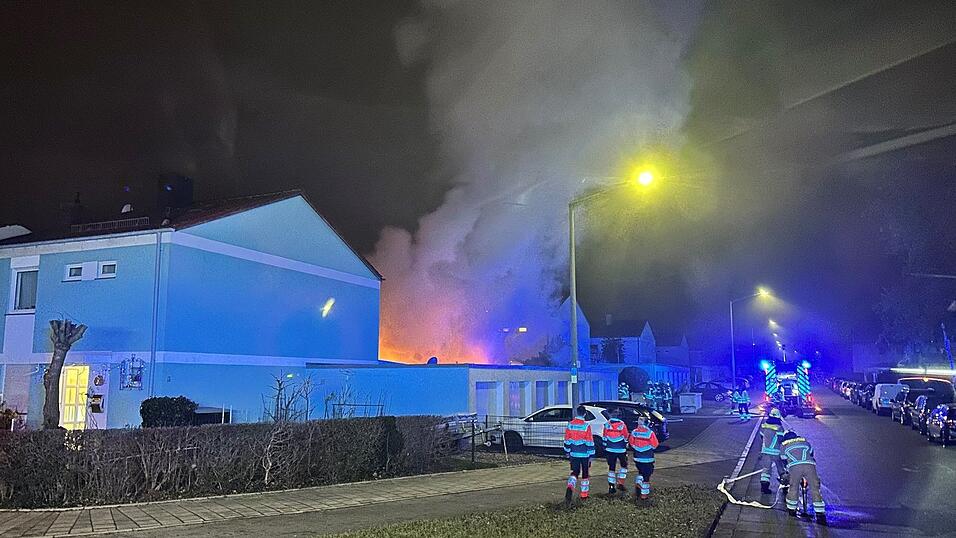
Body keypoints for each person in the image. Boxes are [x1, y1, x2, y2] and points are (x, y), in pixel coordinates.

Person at [779, 430, 827, 526]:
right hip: (810, 466)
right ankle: (820, 514)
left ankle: (792, 510)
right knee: (815, 489)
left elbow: (783, 459)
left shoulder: (784, 445)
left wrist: (788, 470)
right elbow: (811, 453)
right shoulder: (805, 442)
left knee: (793, 488)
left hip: (794, 467)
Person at [563, 405, 595, 504]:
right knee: (585, 474)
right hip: (584, 454)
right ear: (585, 414)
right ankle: (584, 495)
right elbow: (589, 441)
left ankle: (570, 488)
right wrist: (591, 455)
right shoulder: (586, 426)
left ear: (577, 412)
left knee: (575, 472)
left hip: (574, 453)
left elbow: (567, 440)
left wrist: (567, 451)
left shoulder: (570, 425)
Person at [627, 415, 660, 500]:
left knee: (640, 472)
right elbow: (655, 445)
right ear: (647, 423)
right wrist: (647, 448)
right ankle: (644, 495)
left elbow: (631, 443)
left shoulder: (634, 432)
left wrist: (637, 448)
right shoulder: (649, 433)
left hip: (637, 457)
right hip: (648, 458)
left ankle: (638, 483)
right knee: (647, 477)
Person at [757, 408, 786, 494]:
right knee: (781, 469)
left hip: (765, 451)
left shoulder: (764, 425)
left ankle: (764, 488)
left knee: (766, 469)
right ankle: (785, 485)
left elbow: (762, 436)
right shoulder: (779, 427)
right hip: (776, 451)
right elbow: (781, 439)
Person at [602, 409, 629, 494]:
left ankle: (611, 486)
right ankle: (620, 483)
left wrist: (605, 447)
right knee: (624, 465)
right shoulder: (622, 425)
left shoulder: (607, 425)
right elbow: (626, 437)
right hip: (621, 450)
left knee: (611, 468)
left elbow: (604, 437)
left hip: (610, 450)